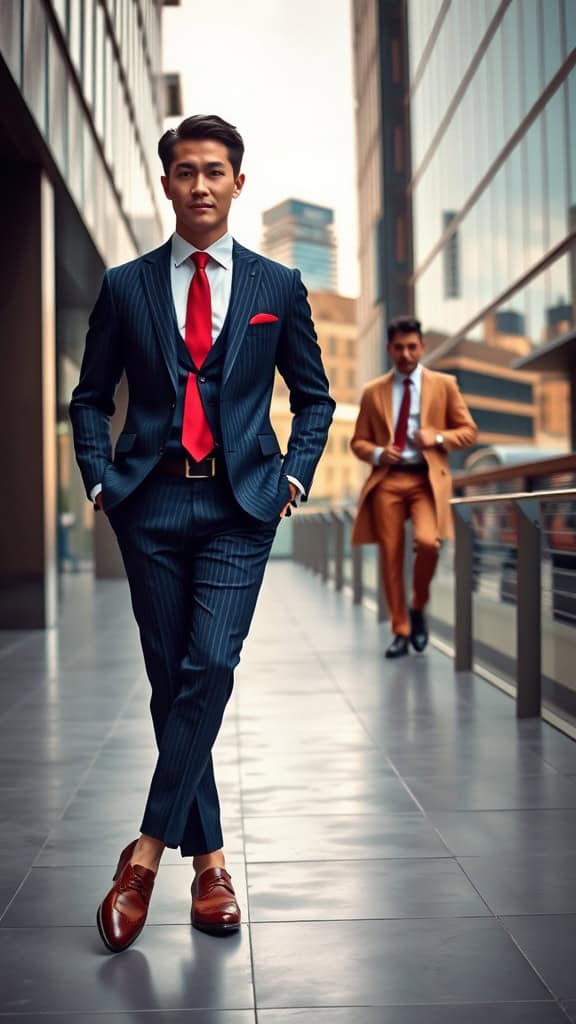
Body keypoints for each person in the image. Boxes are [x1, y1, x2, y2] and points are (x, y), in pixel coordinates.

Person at [69, 114, 334, 953]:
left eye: (216, 171)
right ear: (167, 184)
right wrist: (102, 479)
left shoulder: (277, 286)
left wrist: (294, 473)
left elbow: (315, 397)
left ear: (238, 183)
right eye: (186, 171)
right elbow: (88, 397)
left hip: (238, 506)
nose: (202, 185)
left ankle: (145, 855)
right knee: (172, 680)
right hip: (149, 504)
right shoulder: (125, 286)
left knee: (209, 665)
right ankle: (211, 861)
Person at [350, 315, 477, 659]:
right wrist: (378, 452)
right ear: (389, 349)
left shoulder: (444, 385)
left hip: (425, 480)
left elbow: (469, 431)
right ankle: (400, 630)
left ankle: (418, 605)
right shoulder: (373, 392)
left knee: (428, 543)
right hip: (388, 482)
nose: (405, 354)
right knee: (390, 558)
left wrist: (436, 437)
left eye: (411, 346)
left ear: (422, 347)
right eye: (398, 347)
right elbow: (357, 442)